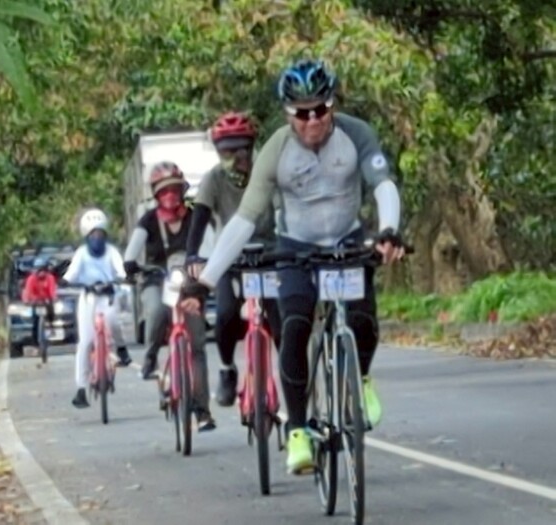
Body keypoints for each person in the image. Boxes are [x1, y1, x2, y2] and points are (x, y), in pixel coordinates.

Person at [183, 59, 406, 474]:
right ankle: (300, 430)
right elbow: (245, 218)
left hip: (347, 240)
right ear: (289, 113)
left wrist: (390, 230)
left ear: (332, 106)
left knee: (362, 319)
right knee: (295, 324)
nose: (312, 121)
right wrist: (205, 282)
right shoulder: (276, 150)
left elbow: (383, 184)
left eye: (321, 109)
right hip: (296, 246)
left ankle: (364, 379)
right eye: (302, 114)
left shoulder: (356, 134)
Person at [185, 111, 282, 407]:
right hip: (230, 258)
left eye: (241, 149)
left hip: (270, 253)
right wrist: (192, 255)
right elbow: (199, 218)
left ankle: (292, 378)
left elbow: (283, 211)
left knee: (282, 321)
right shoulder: (213, 179)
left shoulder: (268, 173)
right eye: (227, 151)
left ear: (252, 148)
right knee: (226, 314)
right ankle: (227, 368)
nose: (236, 156)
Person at [123, 162, 216, 431]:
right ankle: (150, 357)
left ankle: (203, 411)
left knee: (197, 345)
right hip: (156, 280)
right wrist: (130, 265)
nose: (170, 196)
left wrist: (206, 268)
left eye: (174, 190)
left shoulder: (196, 218)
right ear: (156, 195)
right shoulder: (148, 221)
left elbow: (210, 246)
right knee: (155, 311)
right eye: (164, 191)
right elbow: (133, 250)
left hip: (189, 286)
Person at [62, 208, 129, 409]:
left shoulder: (112, 252)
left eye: (100, 233)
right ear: (86, 236)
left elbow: (122, 271)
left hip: (108, 296)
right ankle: (81, 389)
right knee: (85, 342)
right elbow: (71, 275)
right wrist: (66, 281)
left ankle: (122, 349)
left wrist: (119, 280)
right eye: (93, 234)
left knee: (114, 322)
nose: (97, 237)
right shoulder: (81, 254)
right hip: (88, 298)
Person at [21, 256, 57, 346]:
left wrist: (53, 298)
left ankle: (51, 325)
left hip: (46, 301)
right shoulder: (31, 279)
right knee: (35, 320)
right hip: (35, 301)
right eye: (39, 270)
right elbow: (28, 291)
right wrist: (27, 300)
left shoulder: (50, 278)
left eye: (43, 270)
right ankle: (35, 341)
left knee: (51, 311)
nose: (41, 272)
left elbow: (52, 290)